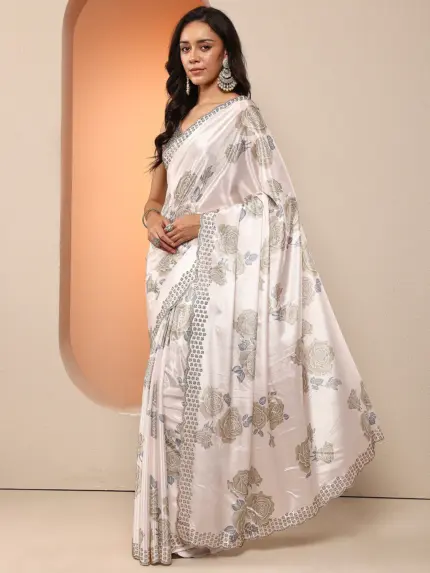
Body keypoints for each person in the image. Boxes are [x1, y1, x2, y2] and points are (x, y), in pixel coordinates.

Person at [132, 6, 384, 567]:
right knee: (169, 389)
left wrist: (205, 224)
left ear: (226, 53)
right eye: (185, 48)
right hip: (170, 268)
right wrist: (151, 219)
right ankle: (167, 521)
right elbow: (155, 197)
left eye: (204, 47)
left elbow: (277, 205)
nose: (193, 58)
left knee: (207, 391)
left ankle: (204, 521)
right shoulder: (177, 118)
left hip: (217, 272)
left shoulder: (242, 117)